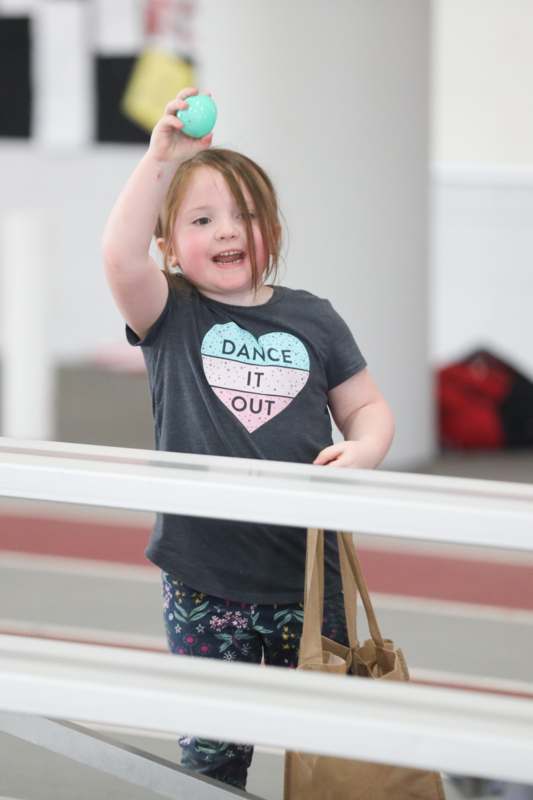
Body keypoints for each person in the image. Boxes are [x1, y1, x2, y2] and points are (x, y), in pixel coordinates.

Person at [102, 87, 395, 791]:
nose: (228, 231)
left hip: (307, 575)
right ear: (169, 247)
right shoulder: (171, 313)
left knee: (322, 747)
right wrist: (161, 161)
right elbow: (118, 256)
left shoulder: (313, 318)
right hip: (203, 573)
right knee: (212, 751)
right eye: (203, 220)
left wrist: (363, 449)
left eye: (246, 216)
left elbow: (367, 408)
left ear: (274, 232)